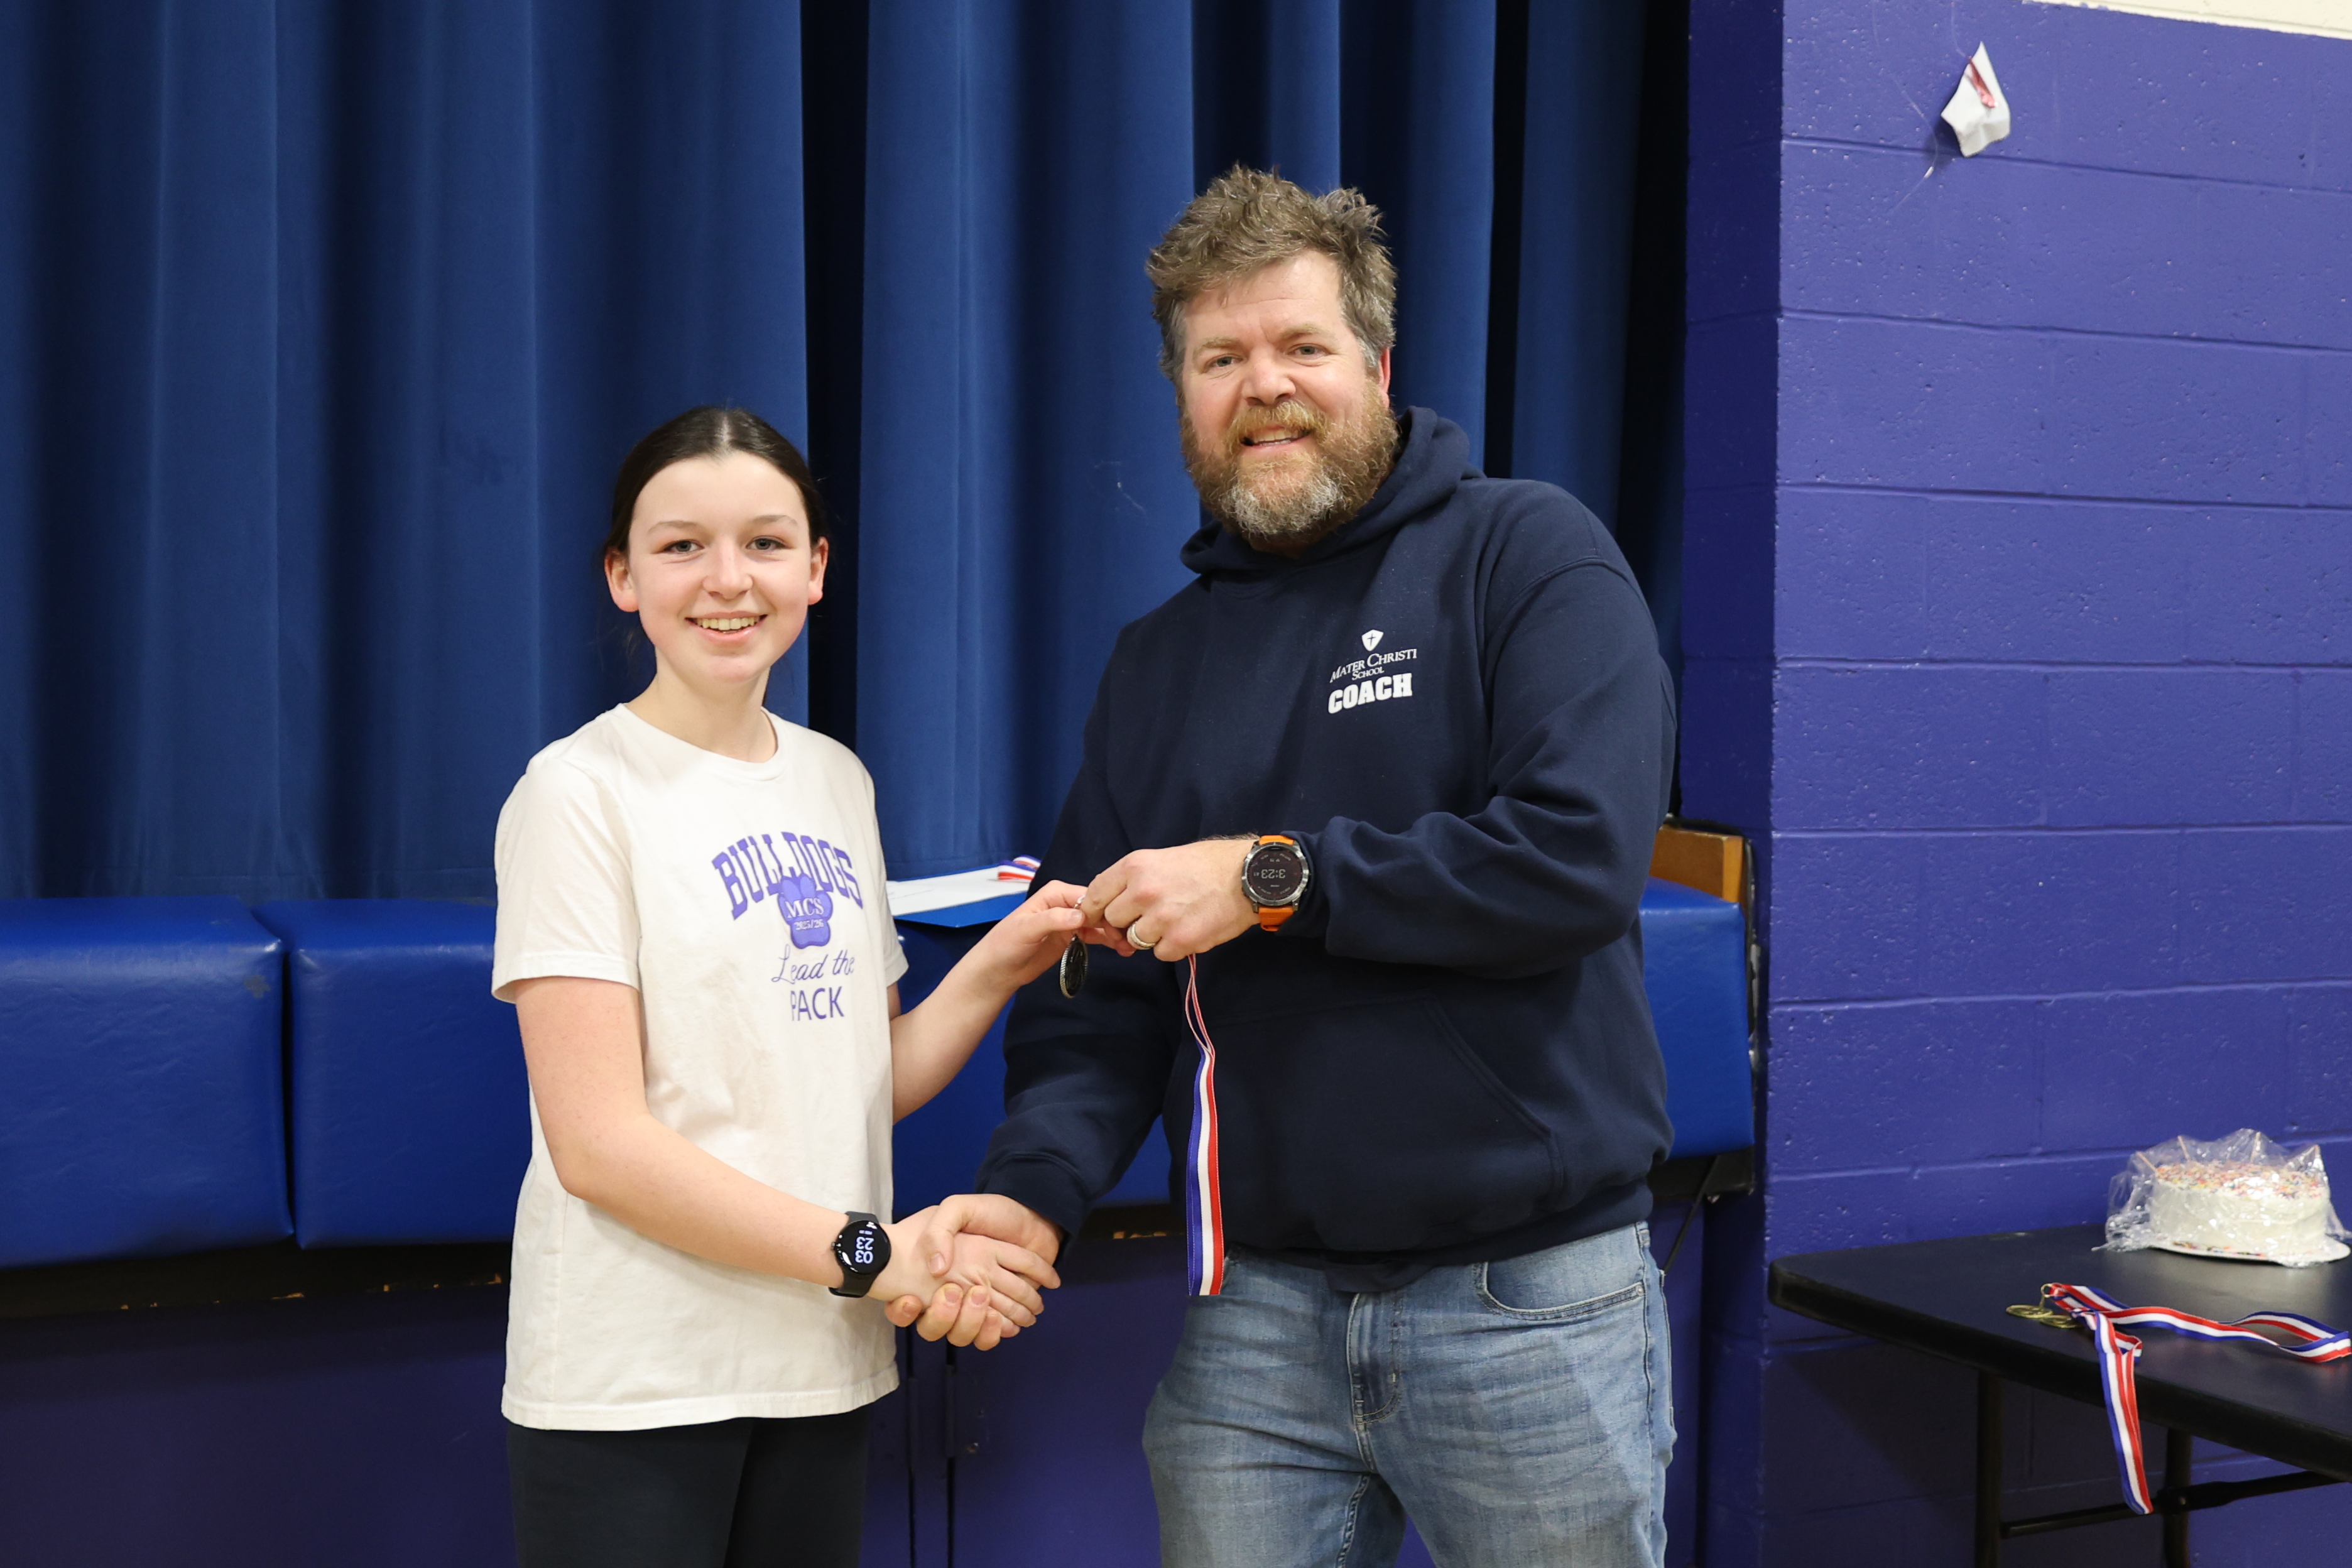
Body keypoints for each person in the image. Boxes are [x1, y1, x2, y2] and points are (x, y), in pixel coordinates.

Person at [962, 168, 1680, 1565]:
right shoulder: (1155, 665)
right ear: (1183, 393)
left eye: (1302, 346)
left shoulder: (1527, 555)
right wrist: (1030, 1191)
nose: (1265, 387)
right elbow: (1098, 1001)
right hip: (1255, 1320)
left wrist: (1270, 881)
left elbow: (1577, 858)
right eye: (1220, 358)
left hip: (1531, 1301)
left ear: (1378, 367)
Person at [491, 406, 1070, 1567]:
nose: (727, 580)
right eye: (681, 546)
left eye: (764, 543)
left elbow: (859, 1080)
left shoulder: (835, 780)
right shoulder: (575, 793)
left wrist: (1005, 960)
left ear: (814, 569)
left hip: (819, 1364)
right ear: (623, 577)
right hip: (640, 1381)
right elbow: (599, 1146)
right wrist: (875, 1256)